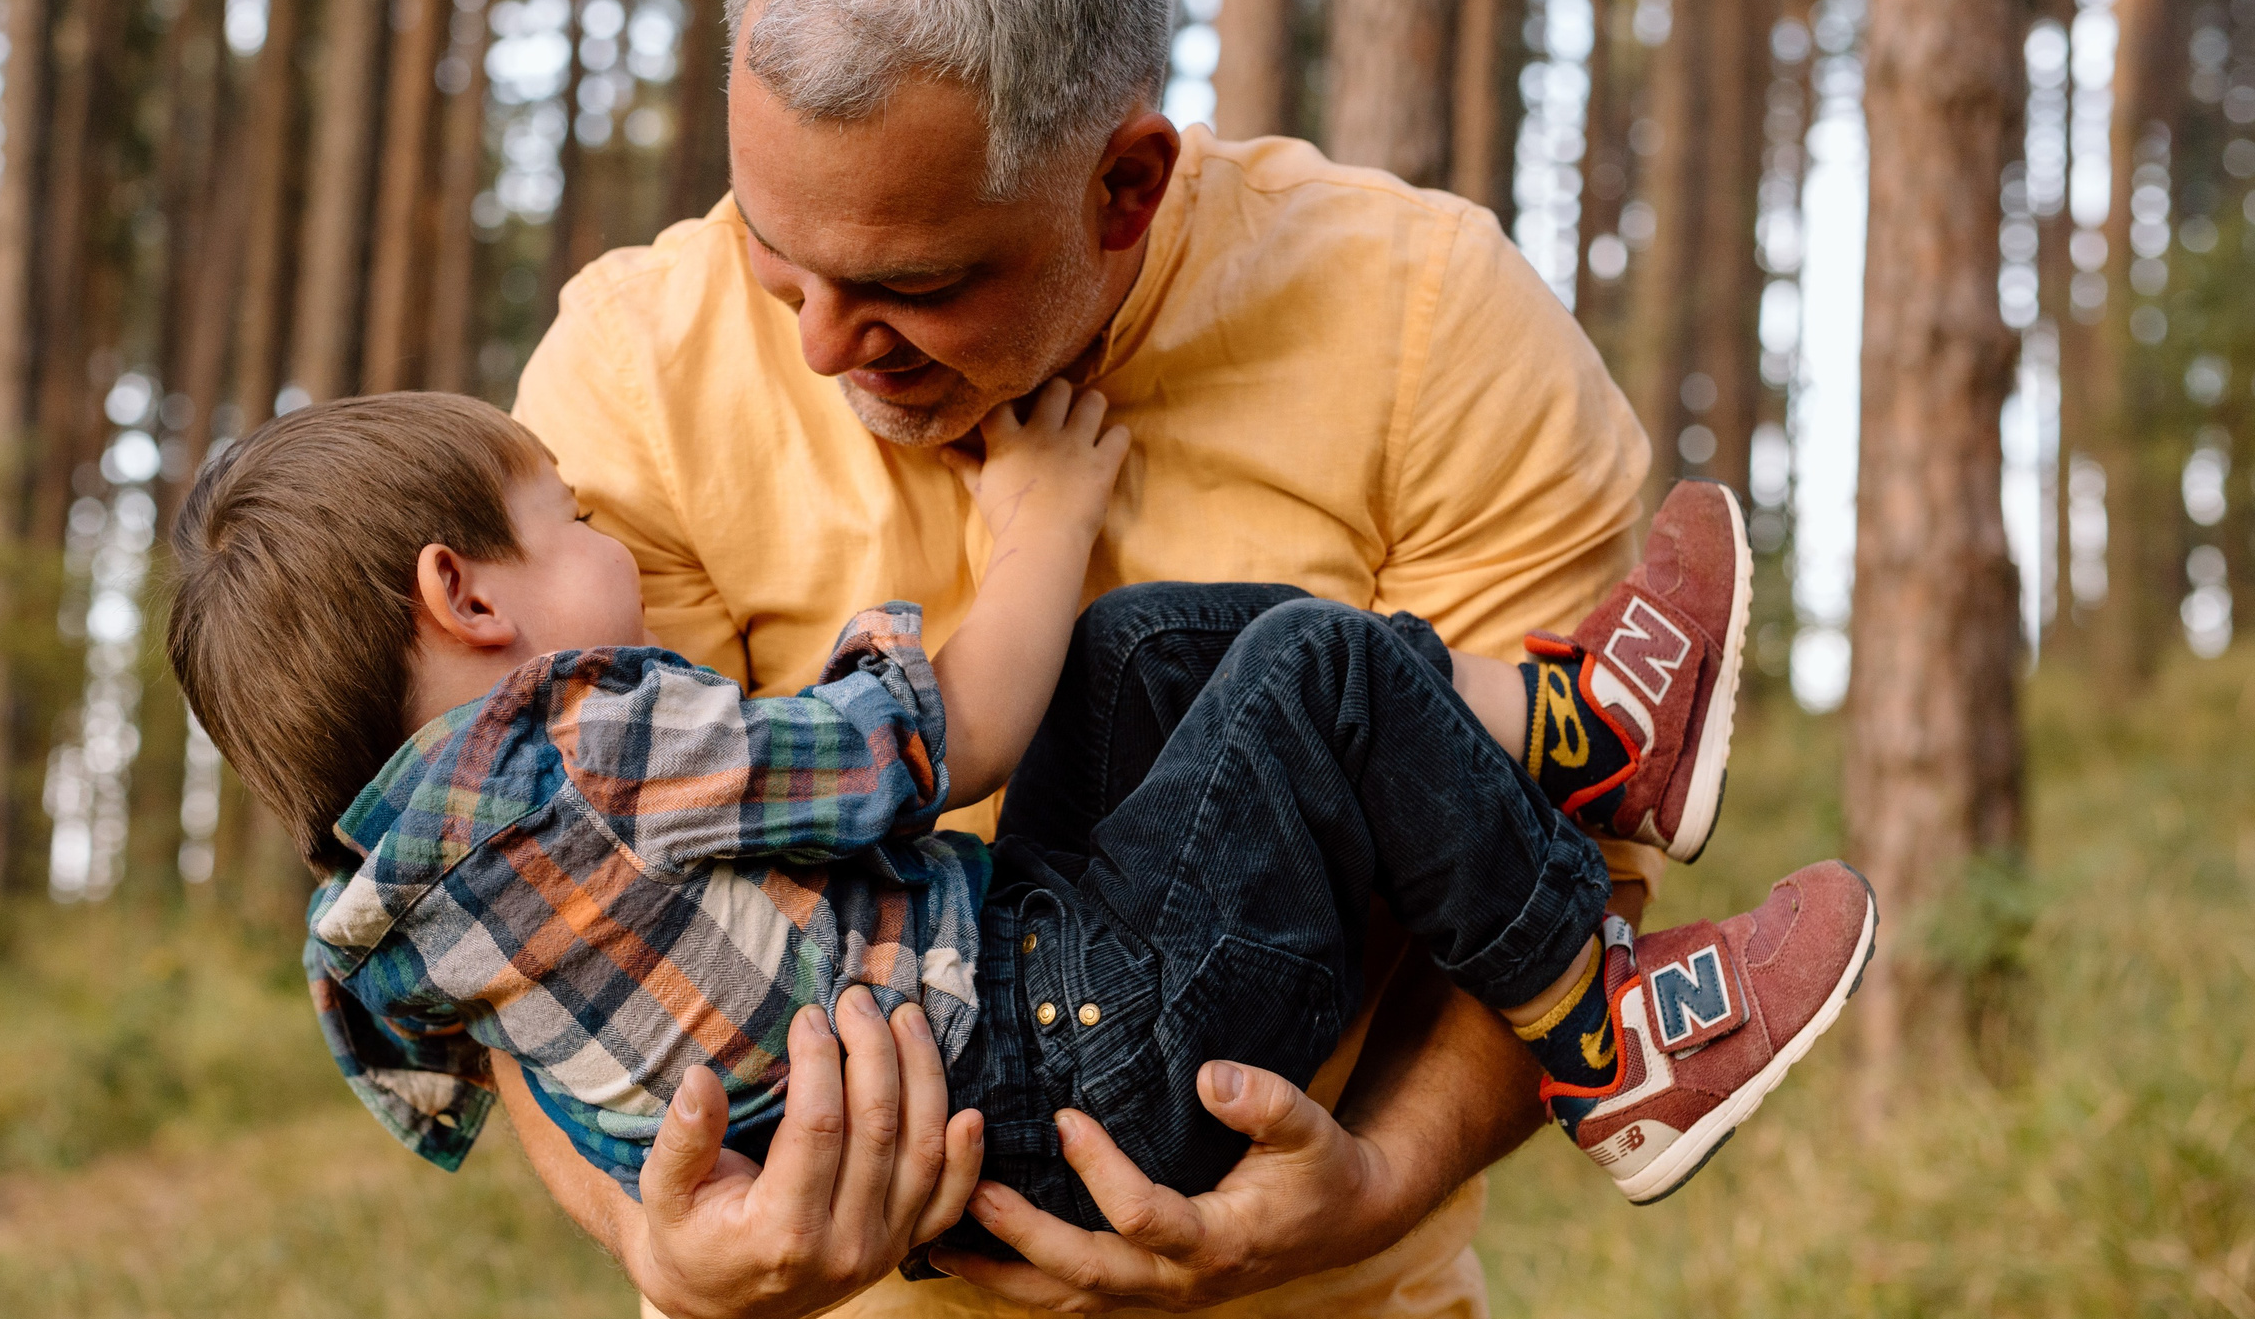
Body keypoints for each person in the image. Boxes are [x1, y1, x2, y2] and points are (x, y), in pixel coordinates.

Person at [502, 0, 1677, 1319]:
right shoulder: (629, 377)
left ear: (1125, 185)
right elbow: (531, 892)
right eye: (776, 257)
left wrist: (1376, 1184)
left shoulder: (1428, 330)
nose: (823, 347)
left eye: (914, 286)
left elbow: (1564, 865)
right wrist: (659, 1240)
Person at [165, 389, 1874, 1268]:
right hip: (1087, 1053)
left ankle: (1595, 742)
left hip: (992, 1125)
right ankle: (1607, 1031)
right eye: (573, 517)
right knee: (1311, 675)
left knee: (1131, 655)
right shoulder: (579, 742)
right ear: (466, 596)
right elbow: (939, 744)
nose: (608, 543)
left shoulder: (386, 932)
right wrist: (1033, 522)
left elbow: (554, 1104)